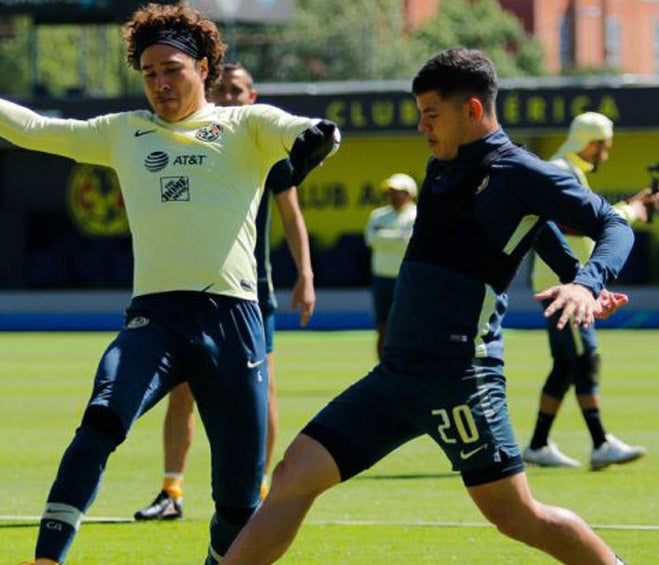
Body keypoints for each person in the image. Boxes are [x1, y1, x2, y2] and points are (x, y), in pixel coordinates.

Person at [0, 4, 340, 564]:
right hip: (154, 322)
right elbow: (35, 128)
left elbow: (312, 131)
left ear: (204, 67)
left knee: (238, 504)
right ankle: (47, 558)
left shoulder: (246, 125)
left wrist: (318, 139)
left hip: (232, 322)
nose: (160, 84)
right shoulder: (126, 131)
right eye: (149, 74)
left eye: (172, 69)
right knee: (100, 422)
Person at [221, 47, 634, 565]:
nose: (422, 126)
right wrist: (572, 272)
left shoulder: (523, 170)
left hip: (460, 377)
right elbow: (534, 225)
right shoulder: (445, 162)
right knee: (292, 477)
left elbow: (614, 226)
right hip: (396, 377)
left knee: (517, 516)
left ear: (473, 111)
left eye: (430, 114)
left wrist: (588, 282)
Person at [134, 61, 316, 521]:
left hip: (252, 293)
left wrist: (306, 275)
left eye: (238, 89)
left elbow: (292, 215)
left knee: (262, 392)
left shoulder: (263, 145)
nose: (230, 96)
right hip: (190, 291)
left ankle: (255, 489)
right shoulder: (192, 139)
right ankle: (171, 491)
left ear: (252, 96)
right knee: (182, 393)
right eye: (223, 89)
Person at [522, 111, 659, 471]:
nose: (607, 154)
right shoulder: (561, 170)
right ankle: (599, 443)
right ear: (592, 143)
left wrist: (629, 210)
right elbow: (571, 224)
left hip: (564, 283)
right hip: (566, 287)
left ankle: (540, 444)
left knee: (569, 363)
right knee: (585, 359)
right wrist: (628, 212)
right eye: (605, 146)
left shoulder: (567, 170)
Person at [364, 173, 417, 359]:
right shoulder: (378, 214)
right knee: (382, 327)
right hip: (381, 278)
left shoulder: (416, 215)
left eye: (397, 192)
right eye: (390, 192)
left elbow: (407, 241)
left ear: (409, 193)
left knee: (406, 325)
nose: (392, 196)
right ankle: (383, 367)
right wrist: (396, 235)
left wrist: (383, 235)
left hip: (406, 279)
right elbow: (370, 239)